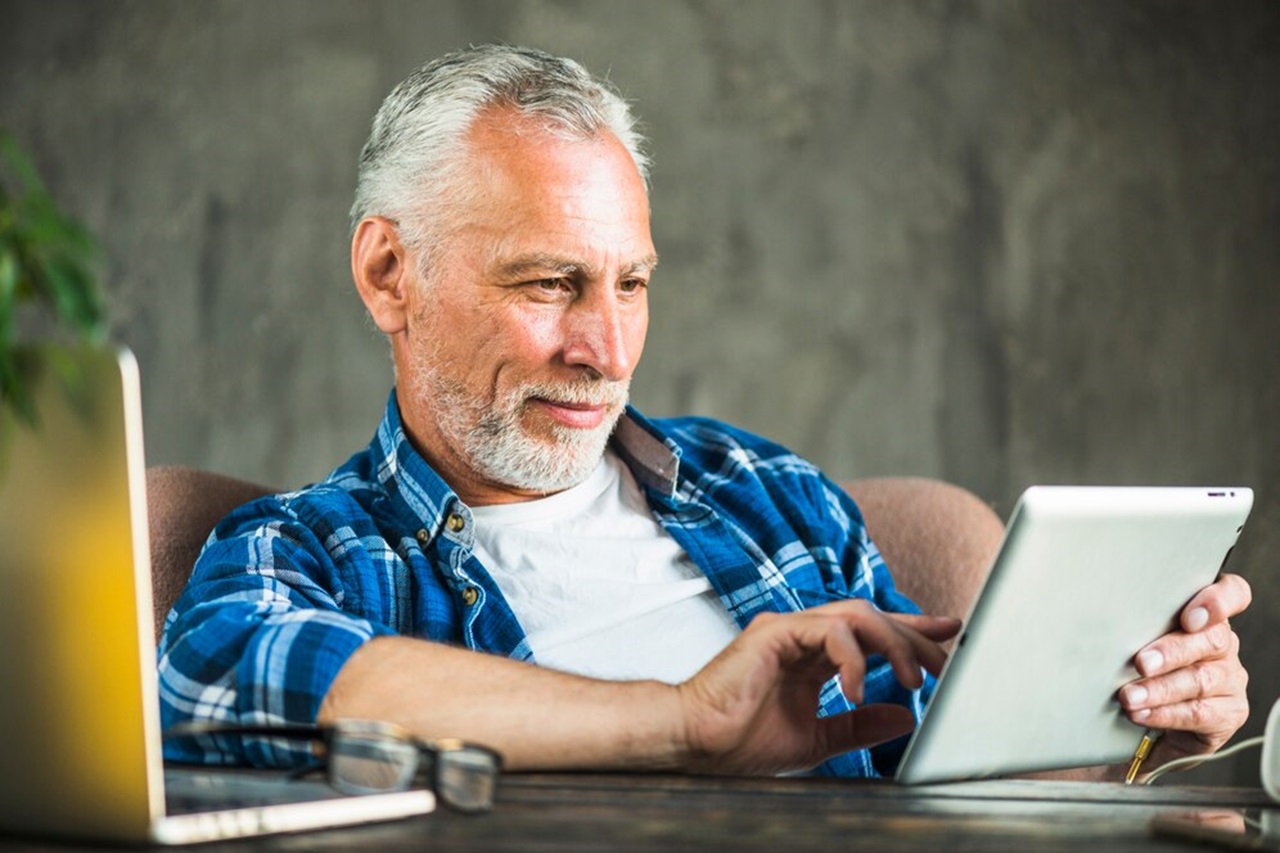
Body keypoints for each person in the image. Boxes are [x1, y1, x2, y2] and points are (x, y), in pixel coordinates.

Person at [158, 44, 1251, 779]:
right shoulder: (309, 550)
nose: (606, 350)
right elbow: (221, 681)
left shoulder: (762, 492)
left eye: (628, 283)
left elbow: (947, 769)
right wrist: (684, 717)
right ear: (390, 273)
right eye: (548, 284)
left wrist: (1138, 719)